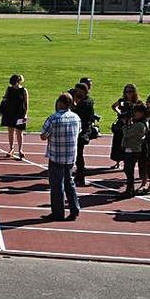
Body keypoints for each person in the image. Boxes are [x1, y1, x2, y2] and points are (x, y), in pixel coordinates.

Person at [40, 92, 81, 222]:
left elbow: (43, 135)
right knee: (70, 183)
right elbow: (78, 131)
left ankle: (58, 213)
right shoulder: (76, 117)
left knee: (57, 186)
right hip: (70, 156)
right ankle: (75, 209)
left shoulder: (53, 118)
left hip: (56, 156)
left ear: (60, 103)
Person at [120, 104, 149, 198]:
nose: (134, 114)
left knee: (129, 170)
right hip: (132, 148)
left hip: (133, 149)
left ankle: (129, 191)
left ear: (141, 113)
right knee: (128, 170)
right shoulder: (139, 123)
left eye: (136, 112)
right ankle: (130, 189)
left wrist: (125, 125)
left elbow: (127, 133)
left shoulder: (140, 124)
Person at [109, 84, 140, 170]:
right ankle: (117, 161)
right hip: (121, 125)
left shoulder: (137, 102)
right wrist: (119, 113)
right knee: (118, 143)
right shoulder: (122, 101)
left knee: (128, 144)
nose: (128, 93)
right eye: (126, 91)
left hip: (131, 125)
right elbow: (114, 106)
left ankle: (128, 163)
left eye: (130, 91)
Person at [71, 83, 96, 187]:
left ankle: (80, 177)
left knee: (79, 155)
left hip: (82, 132)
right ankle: (79, 175)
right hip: (80, 130)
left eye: (78, 91)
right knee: (78, 155)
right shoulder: (85, 101)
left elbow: (76, 113)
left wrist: (72, 102)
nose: (76, 93)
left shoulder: (86, 103)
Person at [0, 74, 29, 160]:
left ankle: (20, 150)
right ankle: (11, 148)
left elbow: (26, 104)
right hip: (9, 113)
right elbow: (5, 100)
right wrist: (1, 109)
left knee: (19, 131)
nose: (13, 85)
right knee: (10, 131)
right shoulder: (9, 89)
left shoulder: (24, 90)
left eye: (14, 83)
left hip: (20, 113)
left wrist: (26, 114)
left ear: (18, 82)